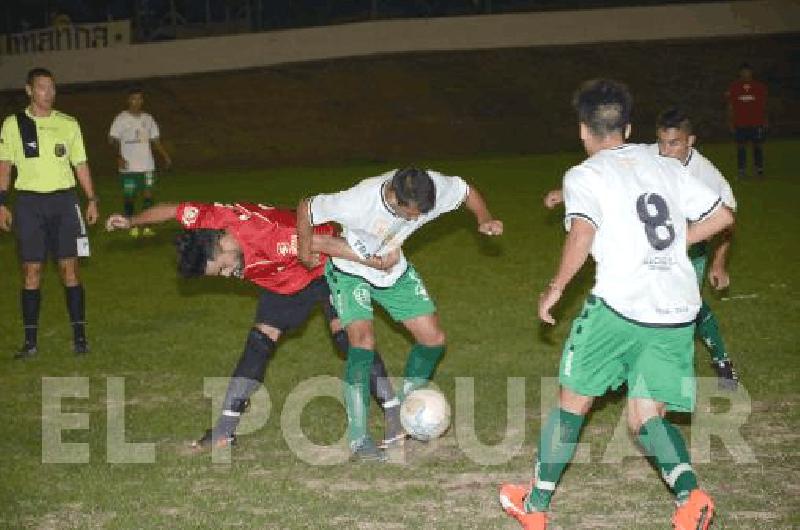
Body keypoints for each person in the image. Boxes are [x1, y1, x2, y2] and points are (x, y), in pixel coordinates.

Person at [500, 79, 734, 530]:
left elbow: (582, 232)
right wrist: (677, 243)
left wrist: (556, 287)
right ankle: (691, 497)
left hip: (621, 306)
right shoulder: (661, 160)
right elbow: (722, 215)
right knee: (645, 416)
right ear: (627, 127)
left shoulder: (583, 174)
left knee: (574, 402)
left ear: (583, 131)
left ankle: (535, 507)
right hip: (677, 309)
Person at [106, 201, 402, 450]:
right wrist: (131, 220)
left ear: (221, 245)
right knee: (259, 343)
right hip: (282, 279)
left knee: (346, 339)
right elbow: (172, 210)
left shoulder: (273, 237)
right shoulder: (212, 220)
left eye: (221, 268)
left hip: (326, 265)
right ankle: (224, 431)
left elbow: (323, 245)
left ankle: (395, 417)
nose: (224, 276)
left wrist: (376, 262)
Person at [297, 167, 503, 460]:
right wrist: (306, 251)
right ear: (393, 196)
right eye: (412, 213)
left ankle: (407, 407)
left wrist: (484, 218)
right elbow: (307, 206)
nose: (417, 218)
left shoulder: (429, 186)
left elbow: (466, 191)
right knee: (362, 342)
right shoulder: (358, 200)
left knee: (433, 340)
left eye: (422, 212)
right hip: (350, 272)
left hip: (392, 269)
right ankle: (359, 439)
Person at [543, 107, 741, 389]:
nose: (666, 149)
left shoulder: (707, 175)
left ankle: (719, 361)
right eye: (661, 142)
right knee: (643, 302)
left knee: (683, 306)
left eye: (674, 143)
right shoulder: (650, 155)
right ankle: (637, 362)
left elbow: (726, 222)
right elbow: (614, 175)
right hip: (646, 246)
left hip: (690, 251)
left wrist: (718, 262)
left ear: (690, 141)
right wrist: (566, 194)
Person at [0, 67, 99, 359]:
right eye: (42, 88)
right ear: (29, 90)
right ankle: (30, 343)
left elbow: (80, 164)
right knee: (31, 272)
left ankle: (80, 337)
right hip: (29, 204)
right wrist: (1, 202)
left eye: (52, 88)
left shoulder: (69, 124)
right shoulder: (13, 124)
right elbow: (4, 166)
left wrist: (91, 198)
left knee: (70, 270)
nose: (49, 93)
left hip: (64, 203)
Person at [109, 86, 171, 238]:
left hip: (147, 166)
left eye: (139, 99)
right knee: (130, 196)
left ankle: (147, 225)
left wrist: (165, 155)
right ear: (128, 100)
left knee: (148, 195)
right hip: (129, 168)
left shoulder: (148, 119)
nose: (137, 102)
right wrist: (119, 156)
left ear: (142, 101)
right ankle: (132, 225)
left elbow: (155, 139)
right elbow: (113, 139)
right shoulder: (121, 118)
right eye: (134, 98)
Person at [725, 63, 768, 178]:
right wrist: (730, 121)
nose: (746, 74)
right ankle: (741, 171)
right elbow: (730, 106)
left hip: (756, 122)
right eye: (743, 72)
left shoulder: (759, 87)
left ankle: (759, 170)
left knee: (757, 146)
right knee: (741, 147)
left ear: (752, 73)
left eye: (748, 72)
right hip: (740, 122)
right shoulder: (734, 87)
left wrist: (765, 120)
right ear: (740, 73)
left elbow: (763, 105)